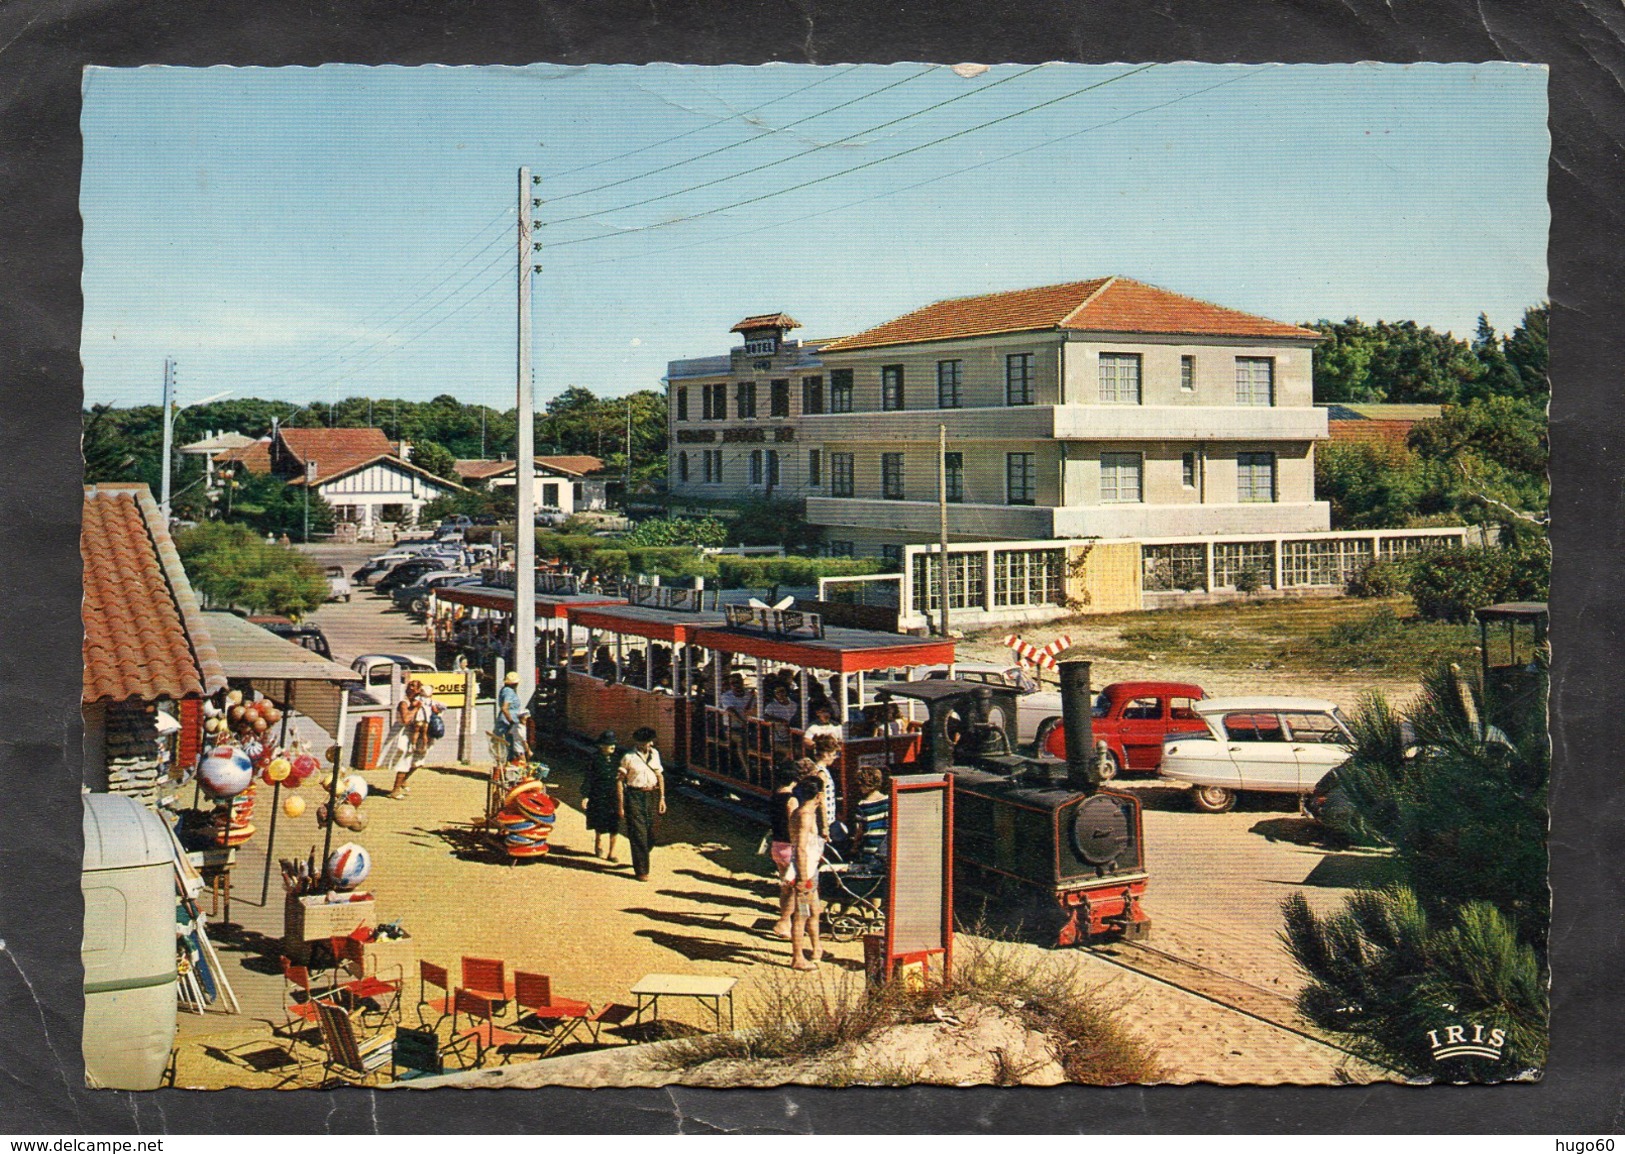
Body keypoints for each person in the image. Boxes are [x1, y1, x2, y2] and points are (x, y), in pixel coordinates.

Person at [788, 761, 826, 971]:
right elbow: (801, 849)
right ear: (818, 795)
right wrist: (803, 878)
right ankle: (797, 957)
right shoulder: (804, 816)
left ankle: (816, 948)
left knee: (815, 910)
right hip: (805, 873)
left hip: (811, 870)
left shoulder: (800, 812)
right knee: (802, 914)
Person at [616, 726, 666, 881]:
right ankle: (641, 870)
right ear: (638, 743)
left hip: (651, 794)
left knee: (651, 834)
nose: (649, 745)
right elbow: (619, 781)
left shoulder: (655, 754)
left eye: (650, 742)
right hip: (634, 795)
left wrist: (662, 797)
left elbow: (660, 776)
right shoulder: (628, 757)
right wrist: (621, 805)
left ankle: (642, 854)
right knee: (639, 834)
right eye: (646, 743)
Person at [767, 760, 802, 939]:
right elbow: (793, 826)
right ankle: (785, 922)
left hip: (777, 847)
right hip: (789, 848)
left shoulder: (774, 796)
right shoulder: (792, 800)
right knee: (796, 889)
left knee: (785, 888)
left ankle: (785, 920)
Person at [389, 680, 442, 799]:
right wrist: (416, 709)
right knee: (404, 761)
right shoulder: (404, 703)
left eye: (415, 687)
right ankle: (395, 790)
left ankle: (404, 780)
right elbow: (406, 719)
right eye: (410, 686)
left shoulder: (422, 701)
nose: (412, 689)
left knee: (418, 762)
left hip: (418, 733)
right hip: (405, 734)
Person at [584, 730, 622, 862]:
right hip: (598, 794)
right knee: (599, 821)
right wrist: (585, 795)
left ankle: (611, 853)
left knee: (614, 823)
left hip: (613, 794)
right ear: (601, 745)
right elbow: (588, 778)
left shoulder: (617, 759)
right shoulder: (594, 759)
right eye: (609, 744)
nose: (613, 746)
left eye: (613, 744)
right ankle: (598, 843)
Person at [851, 765, 891, 872]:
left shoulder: (863, 805)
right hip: (886, 850)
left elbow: (859, 832)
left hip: (869, 852)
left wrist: (854, 848)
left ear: (864, 785)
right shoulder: (889, 801)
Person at [494, 670, 521, 762]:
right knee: (507, 747)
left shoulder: (506, 690)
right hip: (507, 722)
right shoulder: (508, 692)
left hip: (508, 721)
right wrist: (511, 721)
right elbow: (505, 708)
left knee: (509, 746)